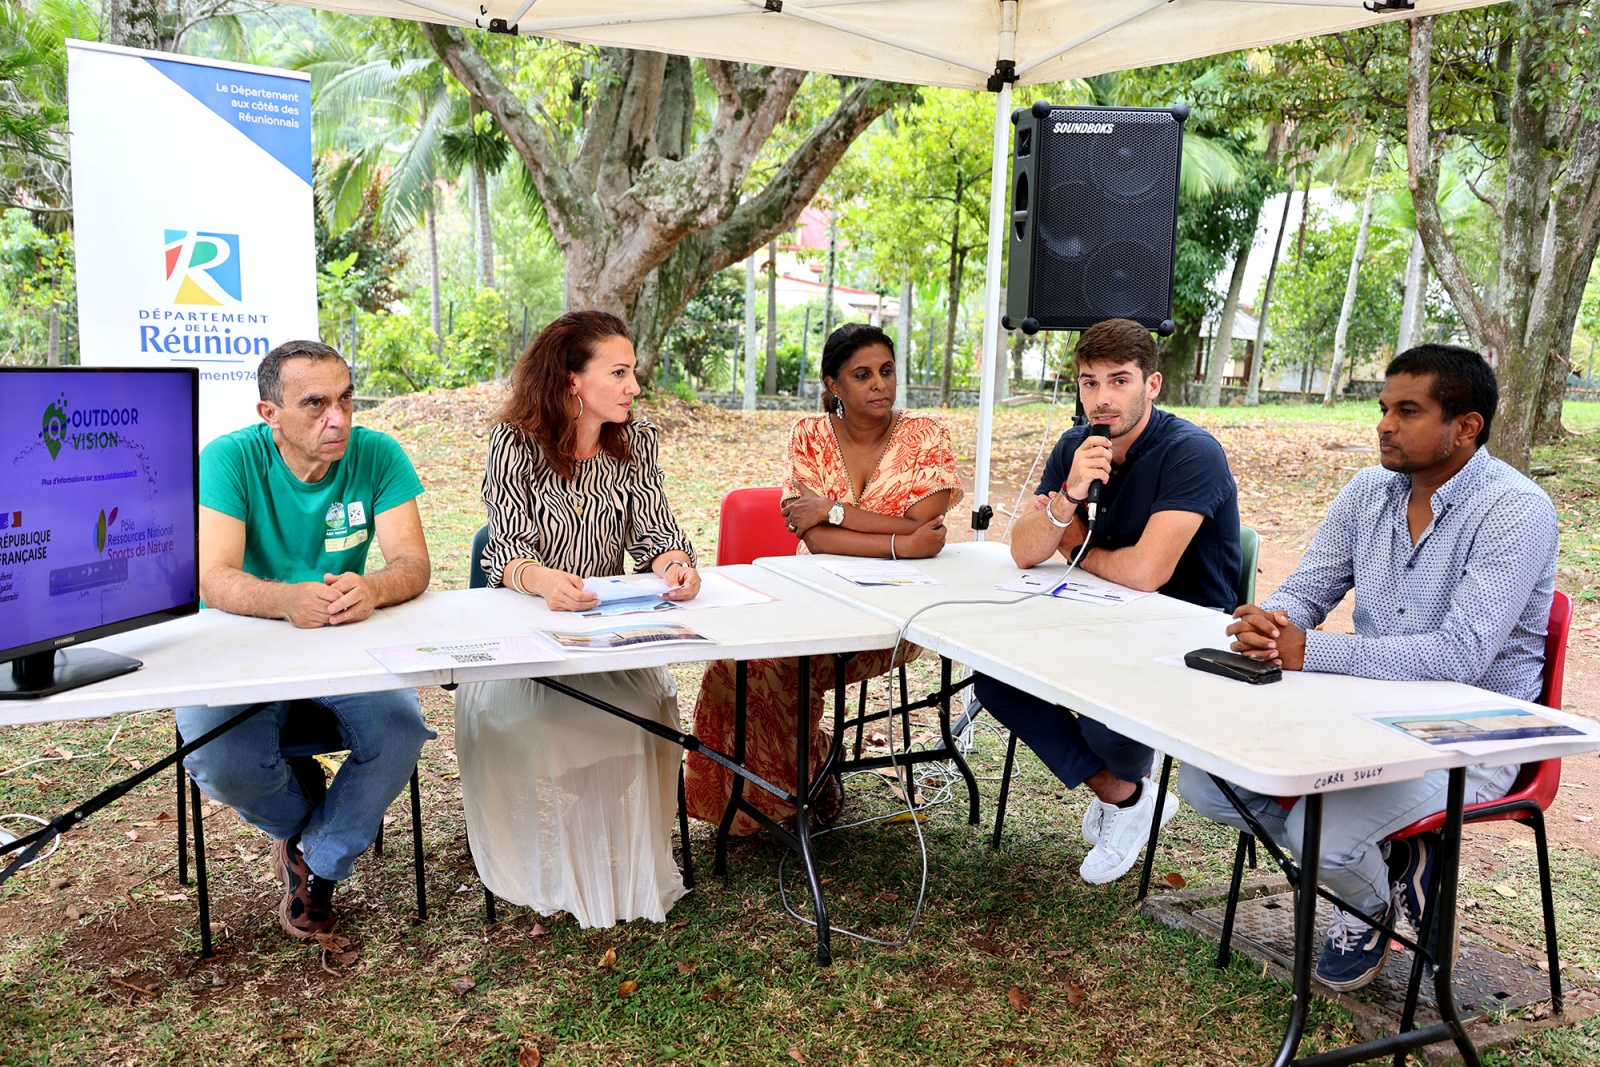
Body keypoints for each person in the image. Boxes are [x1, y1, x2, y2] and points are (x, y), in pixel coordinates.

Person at [1178, 344, 1558, 992]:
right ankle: (1392, 868)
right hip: (1362, 712)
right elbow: (1310, 588)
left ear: (1466, 426)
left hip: (1472, 731)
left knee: (1318, 835)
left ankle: (1365, 905)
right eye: (1384, 408)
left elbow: (1460, 656)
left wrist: (1311, 650)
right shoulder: (1368, 491)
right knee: (1207, 781)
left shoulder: (1515, 509)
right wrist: (1272, 621)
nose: (1384, 424)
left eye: (1408, 411)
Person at [177, 340, 434, 941]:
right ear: (269, 414)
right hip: (243, 642)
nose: (338, 418)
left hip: (343, 642)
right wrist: (287, 600)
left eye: (346, 399)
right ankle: (306, 822)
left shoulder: (377, 453)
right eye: (315, 404)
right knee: (218, 760)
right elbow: (213, 577)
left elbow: (413, 564)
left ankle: (316, 856)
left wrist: (373, 588)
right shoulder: (229, 458)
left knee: (401, 730)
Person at [454, 310, 701, 928]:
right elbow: (504, 551)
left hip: (606, 638)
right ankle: (571, 856)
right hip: (528, 644)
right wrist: (543, 581)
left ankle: (596, 849)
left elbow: (656, 534)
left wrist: (676, 565)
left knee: (646, 711)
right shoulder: (515, 443)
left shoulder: (633, 441)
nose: (634, 386)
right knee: (553, 722)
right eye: (618, 373)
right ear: (572, 380)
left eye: (632, 372)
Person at [977, 317, 1240, 884]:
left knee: (1105, 723)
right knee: (995, 680)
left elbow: (1146, 573)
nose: (1102, 398)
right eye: (1089, 382)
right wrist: (1069, 495)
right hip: (1094, 618)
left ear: (1152, 384)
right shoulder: (1075, 447)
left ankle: (1127, 775)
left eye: (1119, 381)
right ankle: (1127, 796)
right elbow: (1024, 551)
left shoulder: (1191, 453)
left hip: (1181, 630)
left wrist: (1074, 548)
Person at [683, 323, 962, 834]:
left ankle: (797, 790)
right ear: (833, 383)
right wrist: (899, 540)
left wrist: (834, 511)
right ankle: (777, 788)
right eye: (862, 375)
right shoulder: (809, 435)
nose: (879, 384)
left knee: (779, 666)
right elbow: (816, 540)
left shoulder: (926, 435)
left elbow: (926, 526)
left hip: (896, 614)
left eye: (886, 371)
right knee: (736, 662)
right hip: (812, 595)